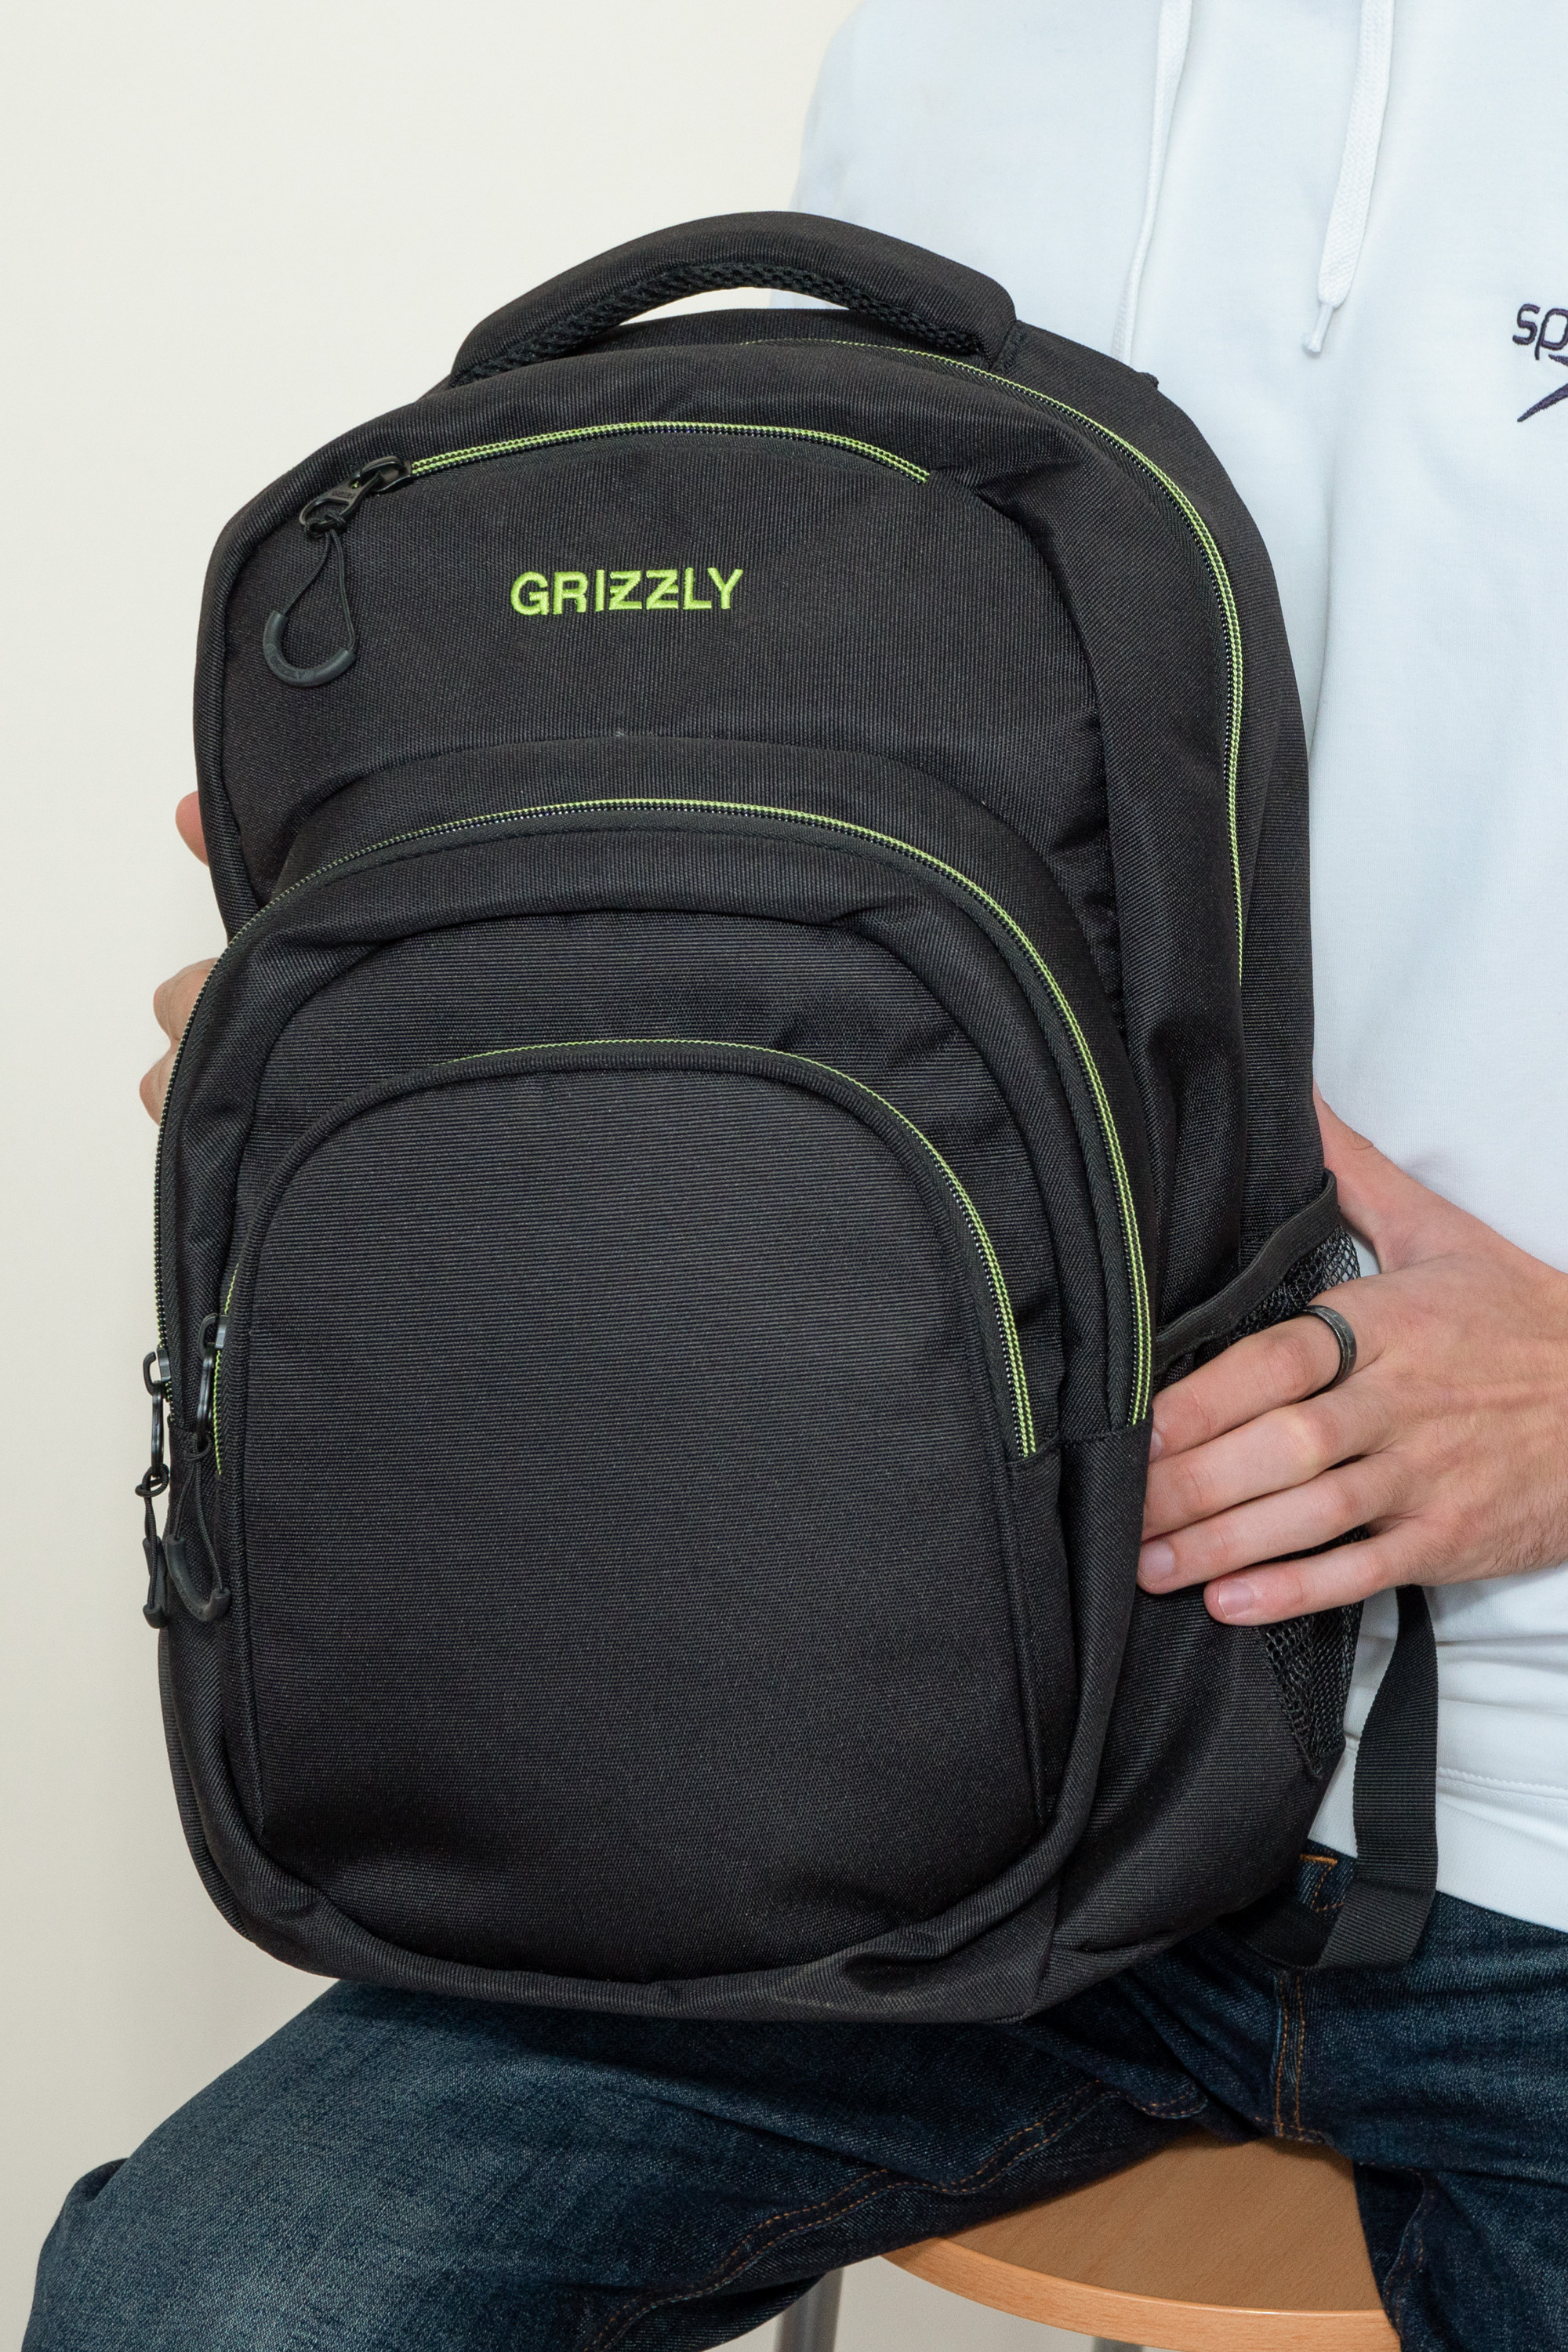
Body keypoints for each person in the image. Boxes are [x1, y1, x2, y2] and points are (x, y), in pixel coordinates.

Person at [28, 6, 1568, 2347]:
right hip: (926, 1748)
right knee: (204, 2312)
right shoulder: (951, 49)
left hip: (1541, 1836)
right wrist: (470, 1055)